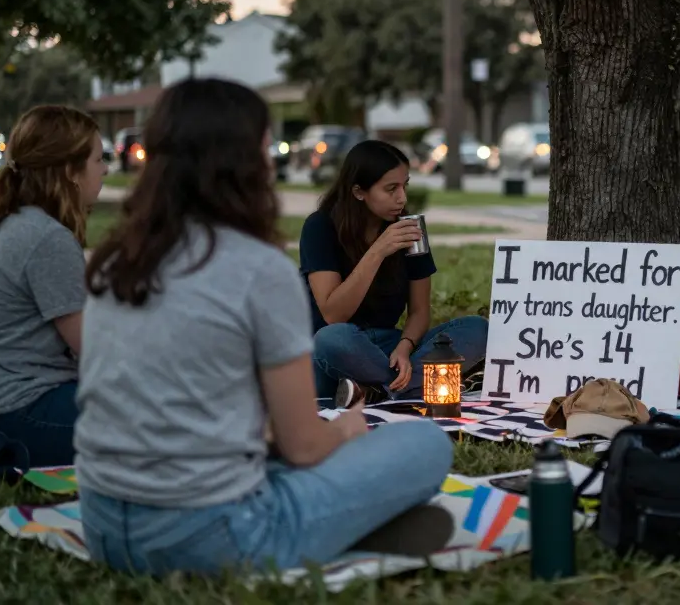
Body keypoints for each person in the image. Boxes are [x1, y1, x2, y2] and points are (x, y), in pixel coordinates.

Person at [74, 79, 454, 576]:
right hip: (212, 535)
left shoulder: (115, 260)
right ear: (244, 164)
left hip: (102, 525)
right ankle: (341, 528)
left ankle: (343, 522)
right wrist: (345, 430)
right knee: (426, 444)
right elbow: (302, 447)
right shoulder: (257, 267)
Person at [0, 105, 106, 467]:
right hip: (11, 415)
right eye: (99, 159)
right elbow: (97, 351)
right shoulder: (46, 238)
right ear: (71, 171)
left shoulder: (25, 224)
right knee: (158, 423)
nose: (107, 168)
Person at [301, 140, 488, 408]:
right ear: (358, 192)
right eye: (391, 189)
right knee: (331, 339)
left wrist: (405, 346)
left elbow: (420, 311)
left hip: (388, 347)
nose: (402, 198)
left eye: (405, 185)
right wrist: (378, 251)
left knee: (477, 328)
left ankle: (376, 391)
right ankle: (412, 389)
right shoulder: (320, 227)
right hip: (337, 352)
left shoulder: (410, 229)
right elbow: (333, 315)